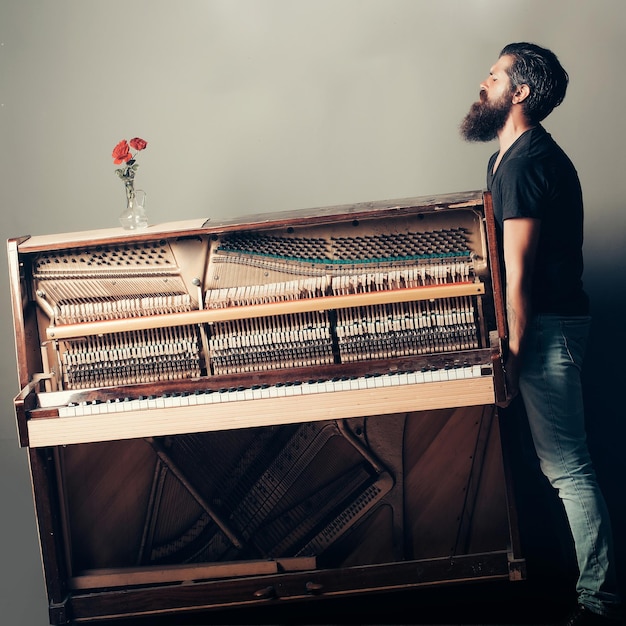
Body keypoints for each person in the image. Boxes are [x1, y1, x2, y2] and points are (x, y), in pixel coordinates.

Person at [460, 42, 622, 625]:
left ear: (519, 93)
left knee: (569, 468)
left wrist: (512, 354)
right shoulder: (506, 158)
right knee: (554, 468)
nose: (485, 82)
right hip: (539, 325)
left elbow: (520, 275)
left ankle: (600, 604)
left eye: (496, 75)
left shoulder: (530, 163)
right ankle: (578, 586)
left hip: (546, 328)